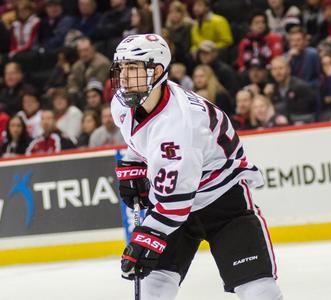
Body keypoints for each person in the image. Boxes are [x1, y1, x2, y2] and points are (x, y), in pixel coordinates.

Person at [110, 34, 283, 299]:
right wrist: (133, 164)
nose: (123, 77)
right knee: (153, 287)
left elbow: (177, 204)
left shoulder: (181, 125)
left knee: (258, 289)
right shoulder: (124, 103)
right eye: (121, 68)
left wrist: (146, 237)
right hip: (174, 204)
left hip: (222, 201)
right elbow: (139, 138)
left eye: (132, 68)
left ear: (157, 71)